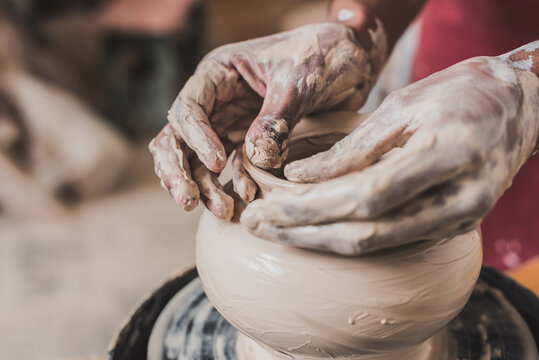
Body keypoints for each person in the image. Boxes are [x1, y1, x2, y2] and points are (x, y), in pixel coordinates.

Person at [149, 0, 539, 270]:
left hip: (504, 99)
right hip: (450, 67)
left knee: (460, 257)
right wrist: (356, 29)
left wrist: (525, 84)